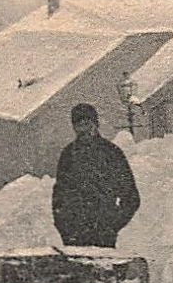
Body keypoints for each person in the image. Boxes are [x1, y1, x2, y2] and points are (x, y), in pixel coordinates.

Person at [52, 103, 140, 249]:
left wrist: (112, 225)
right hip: (74, 238)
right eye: (79, 125)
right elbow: (59, 196)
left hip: (103, 238)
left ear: (96, 124)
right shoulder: (68, 155)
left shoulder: (111, 154)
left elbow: (131, 197)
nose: (84, 129)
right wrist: (64, 227)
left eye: (87, 123)